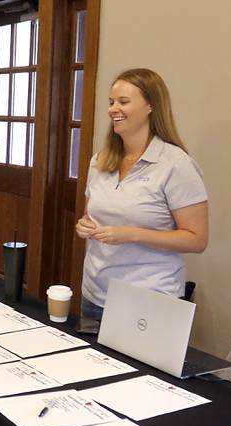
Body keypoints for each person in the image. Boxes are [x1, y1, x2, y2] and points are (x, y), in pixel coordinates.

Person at [75, 68, 208, 320]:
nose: (113, 109)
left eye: (123, 102)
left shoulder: (176, 165)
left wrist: (132, 234)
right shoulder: (99, 161)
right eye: (111, 102)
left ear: (150, 106)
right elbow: (89, 215)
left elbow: (197, 239)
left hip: (148, 301)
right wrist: (84, 225)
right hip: (95, 296)